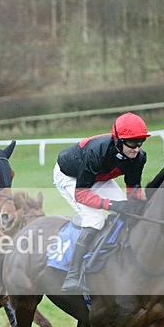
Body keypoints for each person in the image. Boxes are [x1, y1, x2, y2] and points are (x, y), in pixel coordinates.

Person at [53, 112, 150, 293]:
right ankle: (73, 275)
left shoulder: (139, 157)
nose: (136, 148)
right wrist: (111, 205)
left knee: (129, 211)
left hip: (99, 177)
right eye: (132, 143)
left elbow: (133, 188)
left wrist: (139, 205)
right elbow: (82, 194)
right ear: (118, 140)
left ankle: (119, 256)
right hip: (71, 177)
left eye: (140, 142)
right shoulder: (96, 152)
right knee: (95, 219)